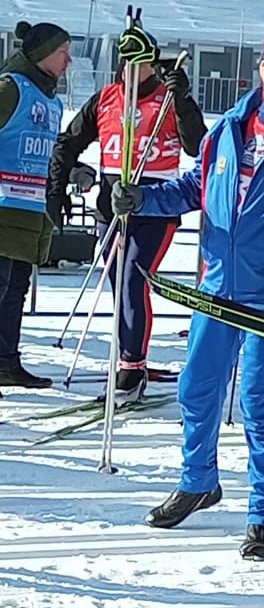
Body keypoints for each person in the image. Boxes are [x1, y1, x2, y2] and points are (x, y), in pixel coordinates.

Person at [112, 25, 264, 560]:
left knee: (259, 405)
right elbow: (192, 188)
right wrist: (142, 199)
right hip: (215, 289)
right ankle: (199, 481)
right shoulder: (227, 130)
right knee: (197, 389)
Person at [49, 23, 206, 397]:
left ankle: (132, 366)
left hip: (155, 202)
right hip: (110, 203)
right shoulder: (106, 98)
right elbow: (68, 142)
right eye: (127, 64)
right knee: (118, 283)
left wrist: (182, 100)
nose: (133, 72)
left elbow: (197, 145)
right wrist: (57, 187)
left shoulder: (168, 97)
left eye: (142, 64)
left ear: (154, 64)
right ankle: (126, 359)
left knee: (134, 279)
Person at [0, 20, 71, 390]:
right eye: (63, 53)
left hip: (27, 215)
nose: (69, 61)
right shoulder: (10, 89)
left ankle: (6, 362)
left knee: (14, 295)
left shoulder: (51, 100)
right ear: (42, 53)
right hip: (2, 213)